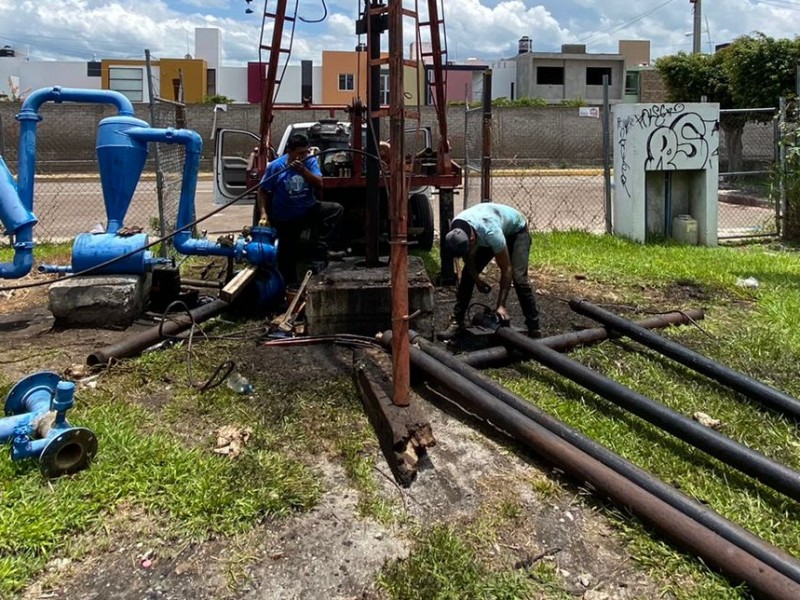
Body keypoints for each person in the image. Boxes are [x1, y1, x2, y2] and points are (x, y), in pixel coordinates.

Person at [440, 202, 540, 339]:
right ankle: (457, 321)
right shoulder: (456, 230)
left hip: (517, 231)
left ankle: (534, 328)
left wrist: (501, 306)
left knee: (519, 279)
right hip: (487, 229)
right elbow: (467, 258)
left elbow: (506, 269)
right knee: (468, 275)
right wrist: (477, 280)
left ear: (472, 238)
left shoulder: (491, 233)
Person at [257, 133, 343, 285]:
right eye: (299, 154)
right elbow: (263, 190)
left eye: (305, 152)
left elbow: (319, 183)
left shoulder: (309, 163)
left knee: (335, 209)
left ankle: (321, 248)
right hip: (287, 217)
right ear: (289, 152)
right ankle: (289, 288)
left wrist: (303, 171)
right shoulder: (276, 167)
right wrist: (264, 213)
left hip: (308, 209)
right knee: (287, 257)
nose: (303, 156)